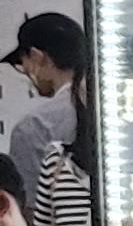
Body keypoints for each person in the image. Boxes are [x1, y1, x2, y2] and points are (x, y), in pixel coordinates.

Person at [5, 13, 82, 190]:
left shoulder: (35, 127)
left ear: (37, 57)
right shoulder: (114, 106)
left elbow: (29, 202)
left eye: (22, 64)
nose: (25, 73)